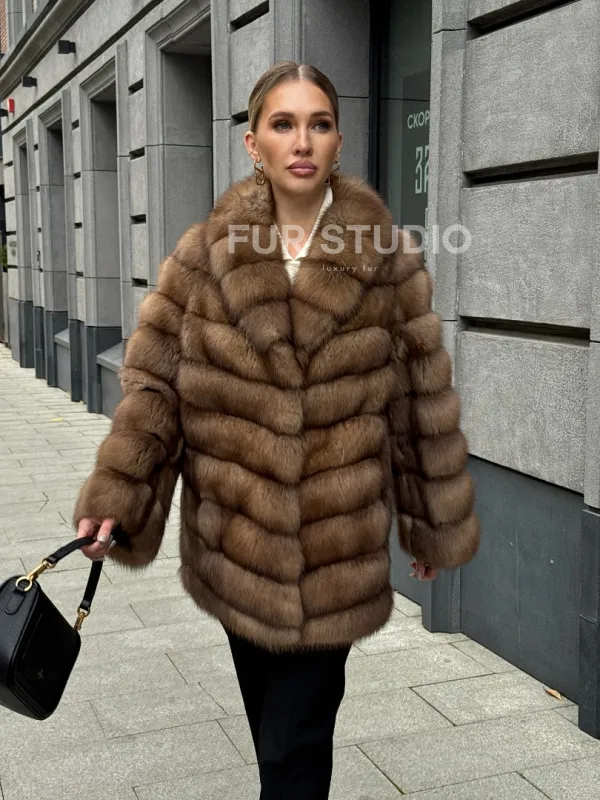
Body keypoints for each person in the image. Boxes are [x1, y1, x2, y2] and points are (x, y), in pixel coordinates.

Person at [74, 61, 479, 799]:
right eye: (283, 123)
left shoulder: (388, 260)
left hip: (335, 557)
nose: (302, 141)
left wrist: (430, 521)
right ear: (253, 144)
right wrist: (118, 500)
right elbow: (157, 393)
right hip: (235, 548)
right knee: (273, 738)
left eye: (319, 124)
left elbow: (420, 396)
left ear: (339, 141)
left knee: (297, 746)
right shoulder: (202, 258)